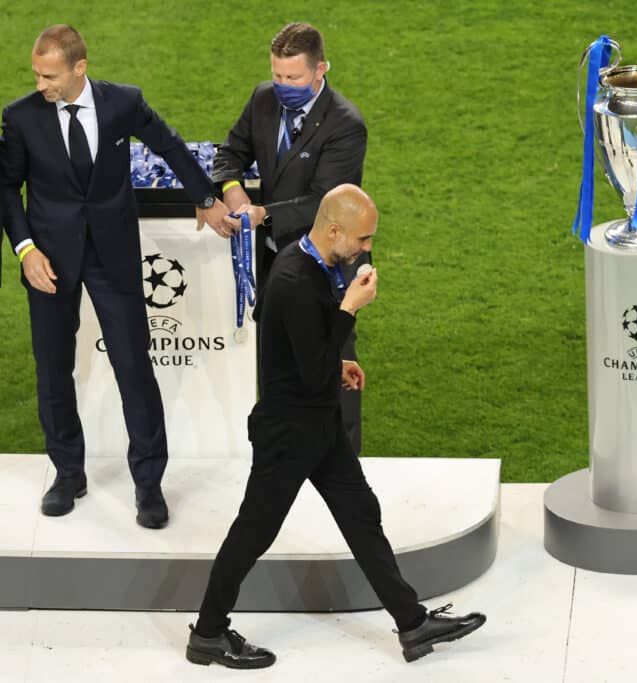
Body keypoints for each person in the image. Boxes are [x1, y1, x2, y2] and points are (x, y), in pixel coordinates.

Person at [185, 184, 485, 668]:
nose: (367, 249)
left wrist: (337, 365)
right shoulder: (294, 279)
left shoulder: (309, 263)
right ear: (334, 230)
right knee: (253, 533)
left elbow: (295, 342)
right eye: (363, 239)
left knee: (361, 515)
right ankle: (208, 634)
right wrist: (349, 310)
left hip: (318, 424)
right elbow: (306, 366)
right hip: (288, 434)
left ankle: (412, 624)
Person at [0, 25, 233, 527]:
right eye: (36, 74)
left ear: (79, 67)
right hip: (50, 262)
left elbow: (169, 145)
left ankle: (148, 485)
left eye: (50, 75)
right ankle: (67, 474)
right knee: (52, 370)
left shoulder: (122, 103)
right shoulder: (20, 117)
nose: (41, 84)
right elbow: (6, 187)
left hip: (113, 257)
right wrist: (25, 251)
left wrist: (207, 198)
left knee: (133, 367)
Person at [213, 21, 370, 454]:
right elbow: (229, 154)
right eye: (278, 76)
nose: (283, 86)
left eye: (294, 78)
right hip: (273, 262)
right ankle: (284, 452)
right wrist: (233, 191)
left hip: (324, 264)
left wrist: (263, 213)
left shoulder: (345, 125)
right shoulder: (263, 100)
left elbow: (323, 203)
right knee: (276, 363)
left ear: (321, 69)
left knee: (332, 362)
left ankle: (342, 460)